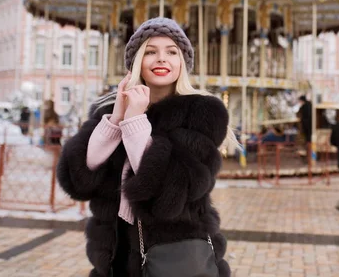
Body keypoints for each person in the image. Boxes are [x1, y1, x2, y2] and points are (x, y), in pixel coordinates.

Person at [57, 17, 234, 276]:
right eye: (150, 52)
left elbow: (169, 193)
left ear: (182, 63)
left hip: (176, 258)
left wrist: (136, 122)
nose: (161, 59)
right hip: (115, 258)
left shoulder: (203, 113)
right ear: (137, 62)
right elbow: (80, 177)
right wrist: (117, 119)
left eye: (171, 52)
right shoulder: (108, 110)